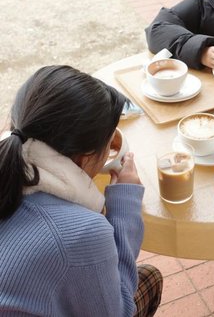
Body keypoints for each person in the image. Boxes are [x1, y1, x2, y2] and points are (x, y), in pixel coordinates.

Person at [0, 65, 162, 317]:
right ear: (86, 157)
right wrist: (124, 205)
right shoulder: (80, 232)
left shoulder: (9, 163)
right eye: (108, 144)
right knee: (149, 278)